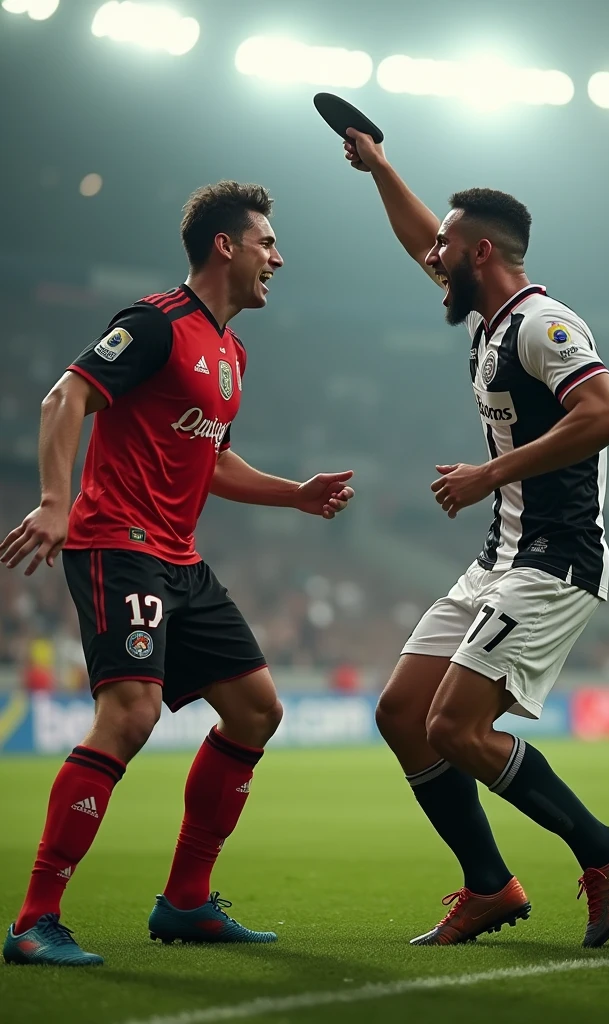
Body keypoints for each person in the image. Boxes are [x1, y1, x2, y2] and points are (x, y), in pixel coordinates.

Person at [1, 180, 354, 966]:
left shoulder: (232, 351)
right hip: (116, 543)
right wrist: (56, 502)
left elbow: (215, 459)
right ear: (225, 245)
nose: (279, 257)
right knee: (131, 714)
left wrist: (292, 494)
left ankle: (186, 903)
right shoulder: (155, 324)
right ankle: (34, 919)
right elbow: (66, 398)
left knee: (257, 711)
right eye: (267, 242)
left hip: (179, 558)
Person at [341, 130, 609, 948]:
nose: (431, 257)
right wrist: (382, 169)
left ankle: (602, 849)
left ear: (480, 253)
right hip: (497, 559)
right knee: (403, 713)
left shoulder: (541, 325)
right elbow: (420, 236)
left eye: (446, 247)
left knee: (455, 730)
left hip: (554, 561)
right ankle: (489, 886)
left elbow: (607, 416)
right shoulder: (486, 317)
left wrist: (489, 473)